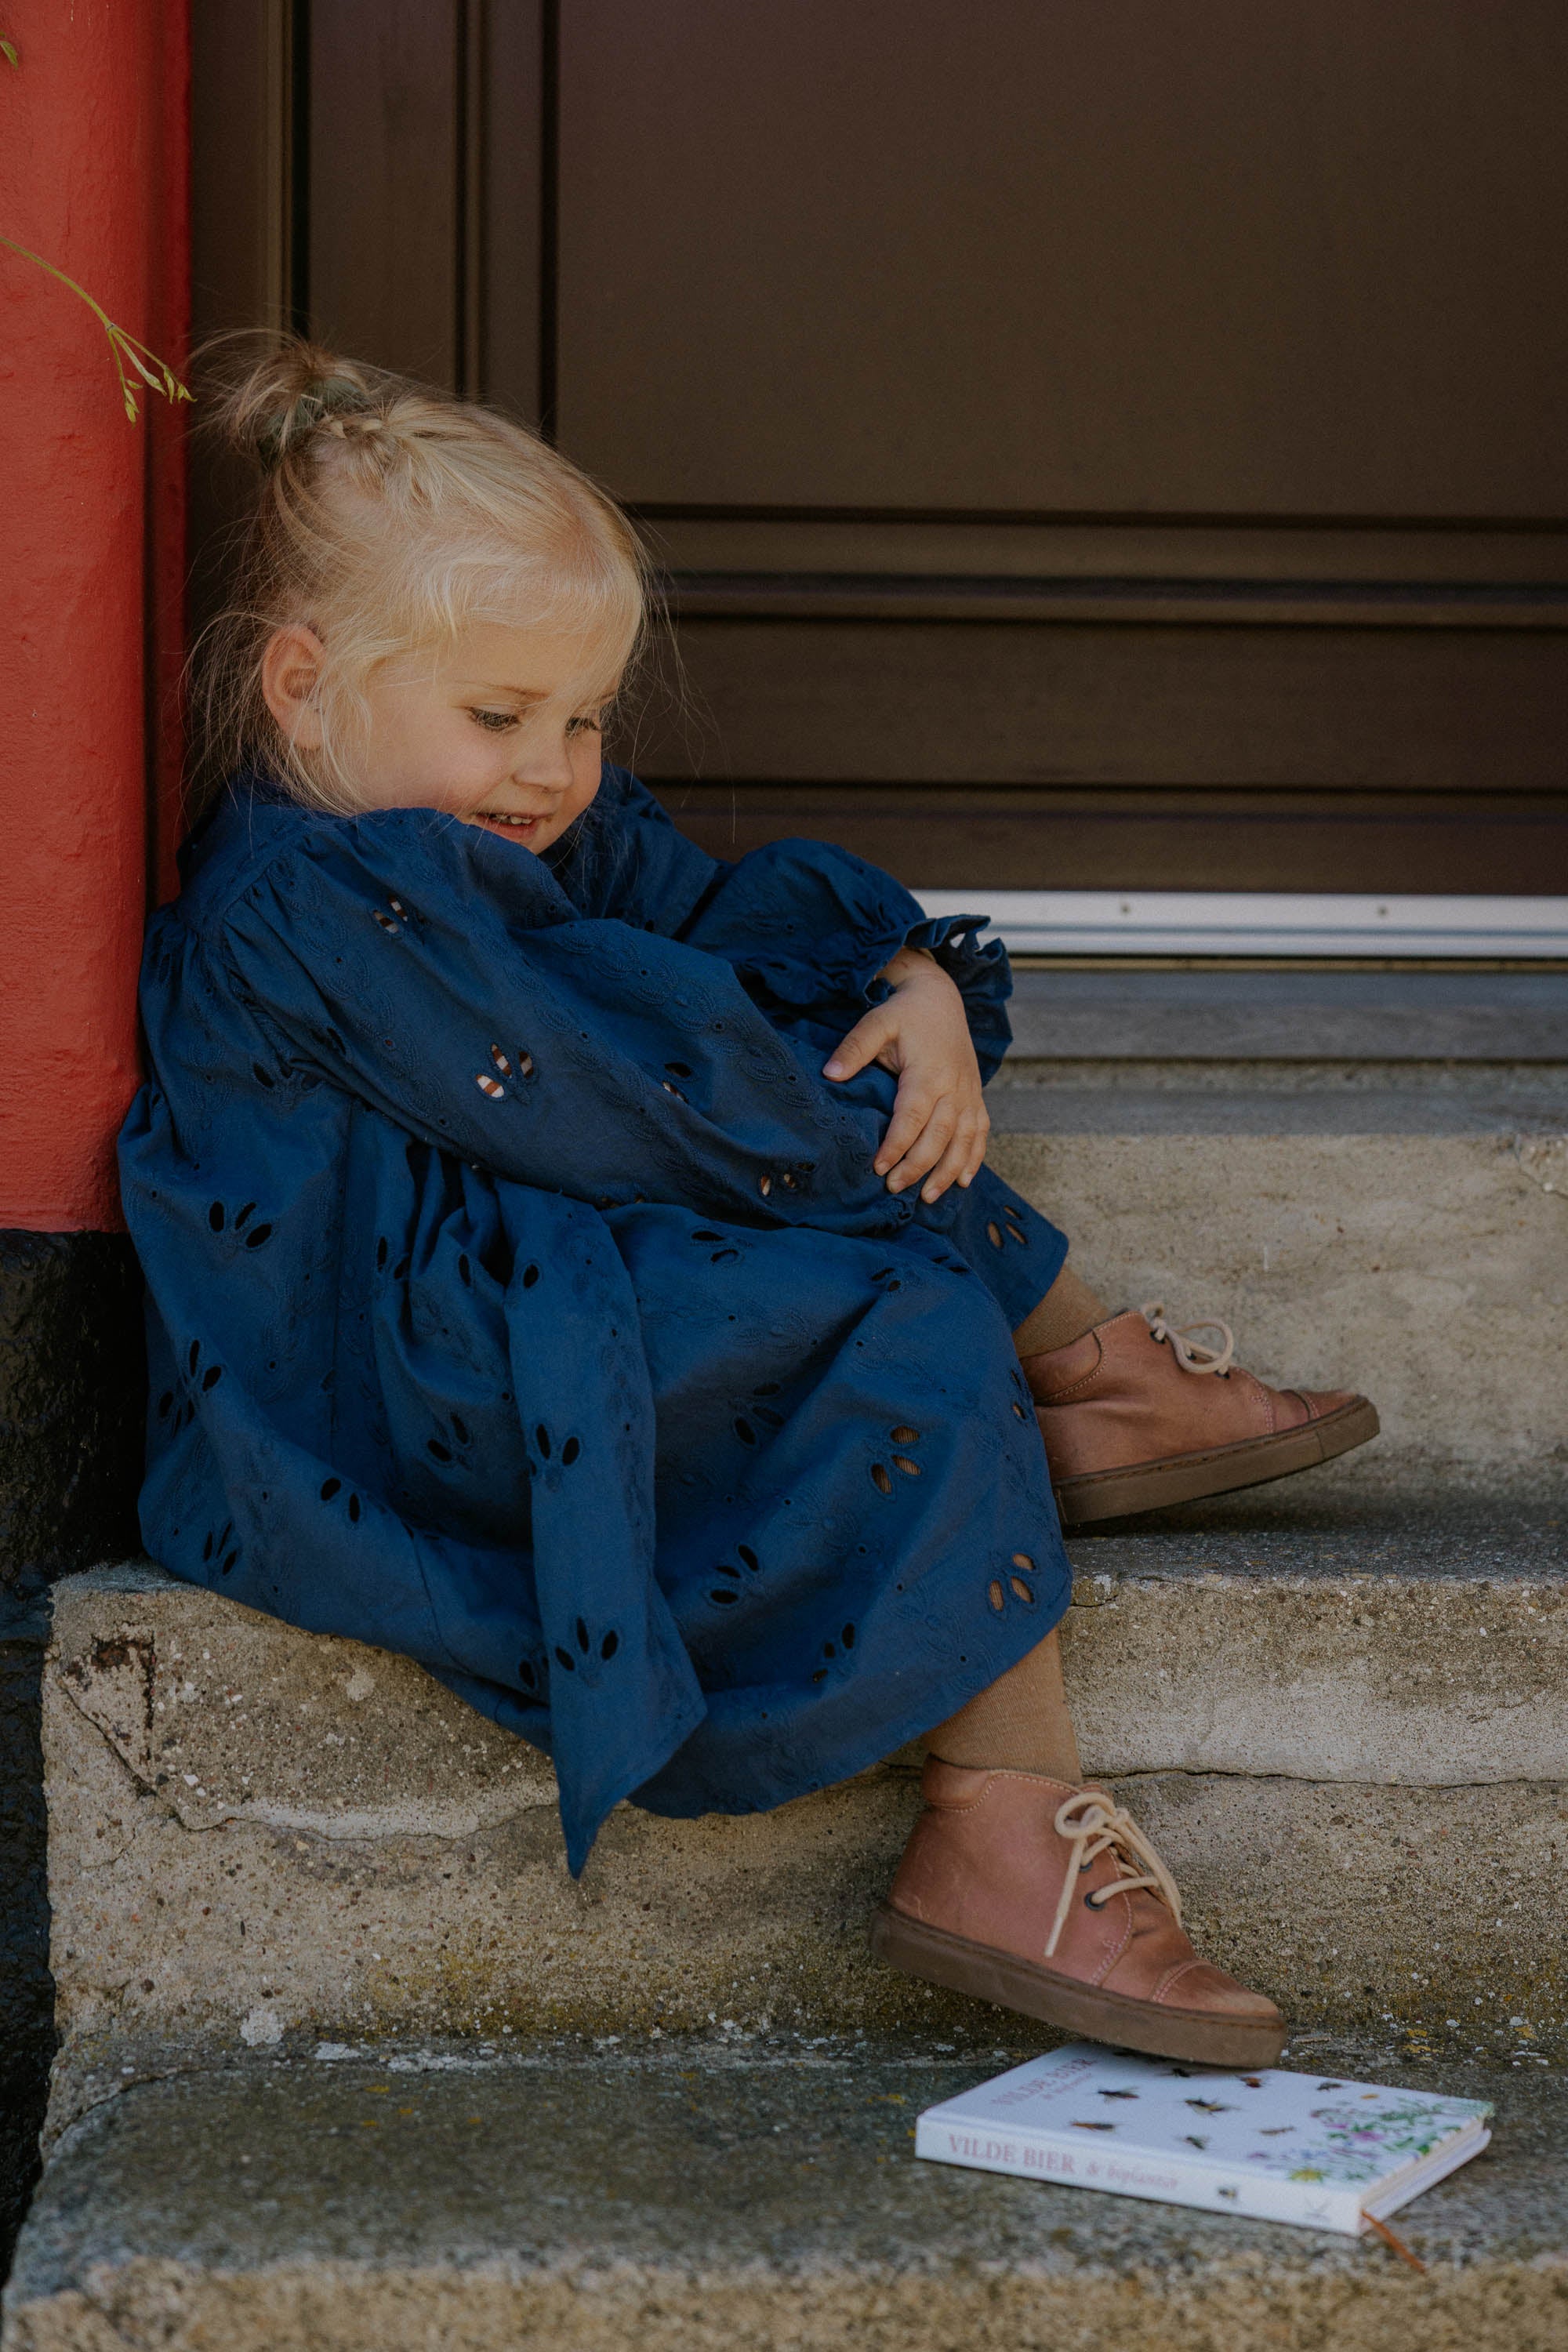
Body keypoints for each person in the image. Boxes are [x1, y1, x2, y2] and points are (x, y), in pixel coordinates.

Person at [120, 340, 1378, 2068]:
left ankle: (1085, 1392)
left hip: (511, 1251)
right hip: (397, 1370)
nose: (548, 768)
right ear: (301, 685)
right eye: (498, 717)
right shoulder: (328, 892)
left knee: (825, 1112)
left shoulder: (497, 808)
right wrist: (878, 1077)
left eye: (580, 717)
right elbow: (649, 1098)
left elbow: (702, 921)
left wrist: (907, 982)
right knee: (880, 1275)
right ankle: (1005, 1813)